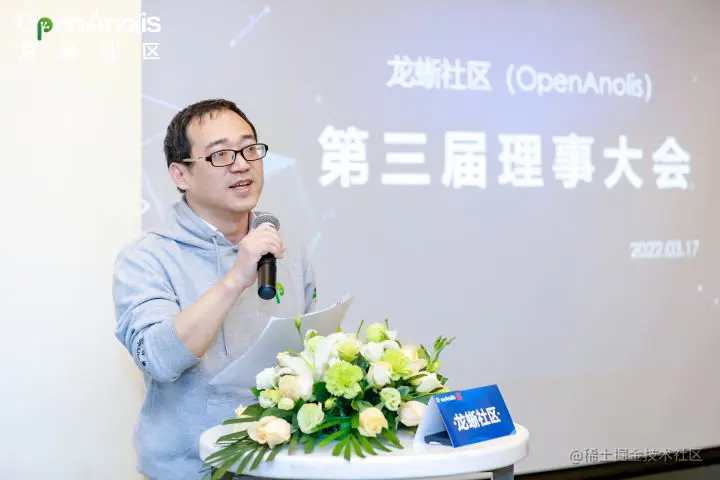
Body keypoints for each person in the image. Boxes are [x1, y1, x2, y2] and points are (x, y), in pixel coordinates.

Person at [113, 99, 317, 480]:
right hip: (190, 470)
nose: (241, 164)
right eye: (220, 154)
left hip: (283, 466)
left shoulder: (284, 249)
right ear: (181, 175)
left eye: (249, 148)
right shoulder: (146, 258)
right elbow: (158, 359)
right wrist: (235, 279)